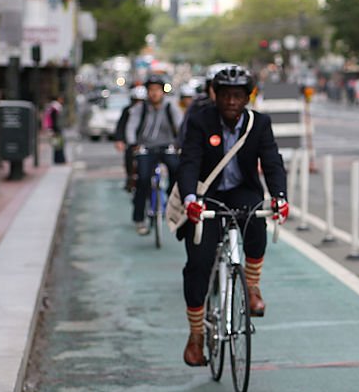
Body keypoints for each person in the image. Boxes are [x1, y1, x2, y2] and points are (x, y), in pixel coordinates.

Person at [177, 64, 289, 366]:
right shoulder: (201, 122)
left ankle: (252, 287)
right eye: (225, 95)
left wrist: (280, 197)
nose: (231, 101)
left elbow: (273, 162)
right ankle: (196, 336)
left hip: (242, 190)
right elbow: (188, 163)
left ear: (247, 97)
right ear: (215, 95)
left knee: (256, 220)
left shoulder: (259, 124)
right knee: (199, 262)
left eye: (238, 95)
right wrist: (190, 199)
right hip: (207, 194)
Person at [123, 75, 183, 235]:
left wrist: (181, 143)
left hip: (167, 146)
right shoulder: (140, 108)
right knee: (142, 179)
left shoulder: (171, 107)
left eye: (157, 90)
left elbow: (181, 125)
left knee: (177, 170)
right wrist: (133, 143)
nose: (154, 93)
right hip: (145, 148)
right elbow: (131, 126)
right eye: (151, 90)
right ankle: (139, 219)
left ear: (163, 91)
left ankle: (174, 205)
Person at [114, 85, 146, 192]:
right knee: (129, 156)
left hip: (148, 142)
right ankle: (130, 178)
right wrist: (120, 140)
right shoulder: (128, 111)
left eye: (141, 101)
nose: (138, 104)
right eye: (136, 101)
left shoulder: (150, 111)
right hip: (133, 142)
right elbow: (121, 126)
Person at [45, 94, 66, 164]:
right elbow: (54, 120)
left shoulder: (54, 107)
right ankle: (59, 160)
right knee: (58, 144)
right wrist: (54, 130)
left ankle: (58, 159)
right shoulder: (56, 108)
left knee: (57, 144)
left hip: (55, 129)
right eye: (61, 99)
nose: (62, 101)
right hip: (56, 129)